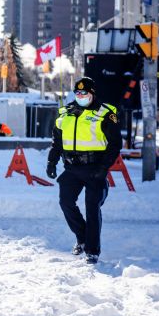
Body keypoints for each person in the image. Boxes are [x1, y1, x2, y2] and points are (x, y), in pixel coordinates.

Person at [45, 76, 121, 265]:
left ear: (92, 94)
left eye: (84, 93)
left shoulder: (105, 113)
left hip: (95, 169)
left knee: (92, 208)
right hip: (72, 168)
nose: (80, 95)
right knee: (66, 202)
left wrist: (103, 169)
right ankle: (82, 237)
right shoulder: (65, 113)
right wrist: (51, 162)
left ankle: (92, 251)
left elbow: (115, 145)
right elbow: (57, 141)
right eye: (77, 93)